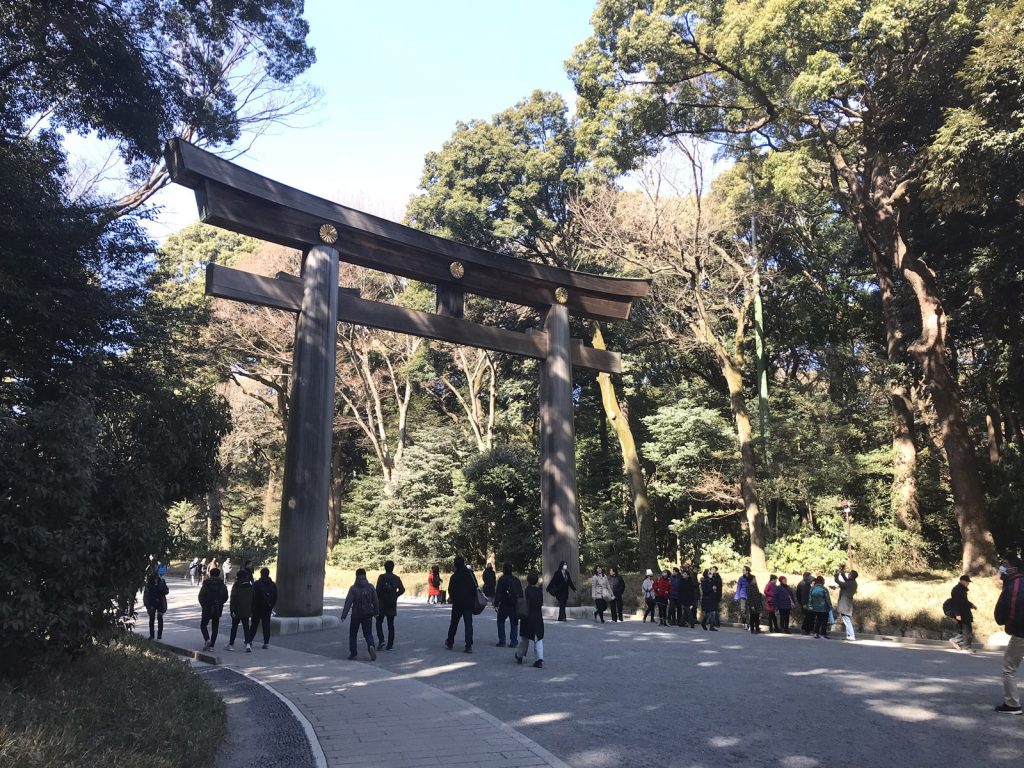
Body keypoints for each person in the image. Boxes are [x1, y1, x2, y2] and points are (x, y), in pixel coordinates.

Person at [995, 555, 1024, 714]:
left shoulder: (1016, 585)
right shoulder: (1018, 582)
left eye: (1005, 564)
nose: (1003, 567)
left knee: (1009, 668)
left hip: (1021, 633)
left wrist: (1010, 624)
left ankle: (1012, 705)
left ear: (1014, 569)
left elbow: (1013, 607)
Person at [341, 568, 379, 661]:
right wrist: (376, 612)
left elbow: (348, 602)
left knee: (353, 634)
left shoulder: (353, 588)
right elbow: (376, 600)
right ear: (365, 576)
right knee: (368, 634)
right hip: (368, 614)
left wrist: (344, 615)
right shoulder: (370, 587)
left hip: (356, 615)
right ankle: (371, 646)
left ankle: (353, 653)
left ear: (356, 576)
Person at [445, 555, 476, 652]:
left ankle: (450, 642)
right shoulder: (470, 574)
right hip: (468, 603)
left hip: (458, 603)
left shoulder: (454, 576)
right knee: (468, 624)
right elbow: (475, 587)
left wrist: (454, 598)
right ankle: (468, 645)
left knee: (454, 623)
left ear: (455, 565)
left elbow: (450, 590)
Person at [515, 571, 545, 668]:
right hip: (537, 617)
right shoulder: (539, 592)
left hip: (527, 617)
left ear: (527, 580)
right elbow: (541, 603)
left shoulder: (524, 591)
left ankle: (519, 655)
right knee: (538, 639)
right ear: (536, 581)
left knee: (524, 638)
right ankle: (539, 659)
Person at [375, 560, 406, 651]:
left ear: (385, 567)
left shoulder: (381, 577)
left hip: (382, 603)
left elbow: (377, 590)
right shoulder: (396, 578)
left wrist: (376, 601)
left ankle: (381, 640)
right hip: (392, 603)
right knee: (390, 625)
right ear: (393, 568)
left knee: (379, 622)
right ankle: (390, 644)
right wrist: (395, 595)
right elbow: (402, 589)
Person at [198, 567, 228, 651]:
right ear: (219, 574)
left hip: (207, 607)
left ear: (210, 574)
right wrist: (220, 603)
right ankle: (212, 646)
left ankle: (207, 639)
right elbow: (225, 596)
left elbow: (201, 596)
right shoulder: (222, 585)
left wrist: (203, 605)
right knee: (215, 627)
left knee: (203, 625)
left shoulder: (206, 584)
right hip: (217, 607)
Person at [494, 561, 523, 647]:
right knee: (514, 623)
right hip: (514, 604)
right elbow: (520, 593)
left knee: (500, 621)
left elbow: (498, 592)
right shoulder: (516, 580)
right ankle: (513, 641)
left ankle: (502, 640)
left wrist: (496, 603)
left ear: (504, 569)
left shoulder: (502, 579)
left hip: (504, 604)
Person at [226, 568, 254, 653]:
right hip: (246, 609)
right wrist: (252, 609)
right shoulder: (250, 586)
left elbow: (233, 598)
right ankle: (248, 644)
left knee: (234, 627)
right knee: (246, 627)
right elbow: (253, 598)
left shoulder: (237, 585)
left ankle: (231, 644)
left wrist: (232, 610)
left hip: (237, 609)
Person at [251, 567, 278, 649]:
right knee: (266, 625)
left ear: (261, 574)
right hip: (267, 607)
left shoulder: (256, 584)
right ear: (268, 574)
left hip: (257, 607)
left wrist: (252, 606)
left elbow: (252, 596)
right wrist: (271, 605)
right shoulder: (273, 584)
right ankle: (266, 642)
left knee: (254, 624)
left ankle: (249, 640)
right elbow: (275, 596)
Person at [143, 569, 169, 640]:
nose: (155, 580)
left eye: (156, 579)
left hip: (160, 602)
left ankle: (159, 635)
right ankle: (152, 635)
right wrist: (147, 604)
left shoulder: (162, 582)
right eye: (154, 579)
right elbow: (145, 595)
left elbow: (167, 591)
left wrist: (163, 591)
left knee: (160, 618)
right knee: (152, 619)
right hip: (151, 603)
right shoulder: (148, 584)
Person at [835, 567, 858, 641]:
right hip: (847, 604)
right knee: (846, 619)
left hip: (845, 604)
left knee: (847, 620)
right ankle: (849, 635)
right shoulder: (853, 583)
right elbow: (847, 581)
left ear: (851, 576)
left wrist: (836, 574)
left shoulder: (849, 584)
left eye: (849, 574)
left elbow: (838, 581)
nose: (848, 575)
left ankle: (851, 635)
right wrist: (842, 574)